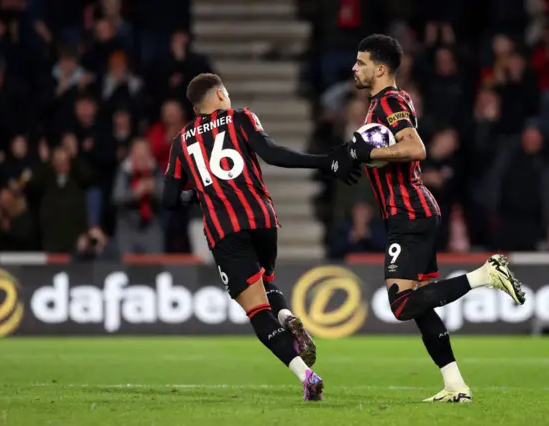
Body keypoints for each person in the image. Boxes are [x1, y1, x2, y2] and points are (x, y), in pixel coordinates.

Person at [345, 34, 527, 403]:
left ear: (380, 69)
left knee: (401, 305)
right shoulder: (388, 102)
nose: (354, 68)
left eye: (361, 63)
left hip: (408, 213)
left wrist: (372, 152)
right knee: (420, 304)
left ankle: (485, 274)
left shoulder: (390, 101)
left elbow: (416, 148)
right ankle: (455, 386)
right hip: (413, 211)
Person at [161, 73, 360, 401]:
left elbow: (168, 200)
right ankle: (287, 315)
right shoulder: (241, 118)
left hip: (224, 230)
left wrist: (197, 192)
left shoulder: (181, 142)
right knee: (265, 280)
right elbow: (272, 153)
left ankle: (306, 376)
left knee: (256, 310)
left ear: (196, 108)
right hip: (262, 219)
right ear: (221, 94)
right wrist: (325, 162)